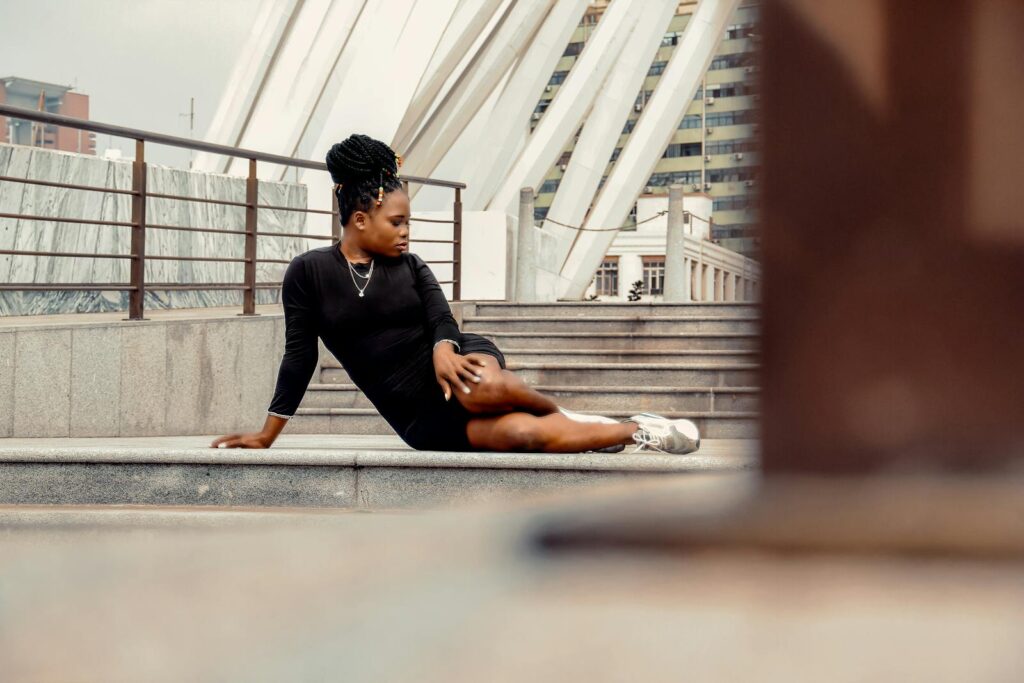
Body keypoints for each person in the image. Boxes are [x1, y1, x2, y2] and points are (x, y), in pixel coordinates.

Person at [211, 134, 700, 454]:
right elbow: (298, 358)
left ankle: (571, 414)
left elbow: (443, 318)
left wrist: (444, 349)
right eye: (396, 221)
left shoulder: (411, 266)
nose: (406, 232)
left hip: (459, 363)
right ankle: (638, 430)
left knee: (485, 386)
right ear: (360, 220)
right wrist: (267, 434)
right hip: (418, 414)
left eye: (409, 222)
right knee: (522, 434)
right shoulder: (308, 273)